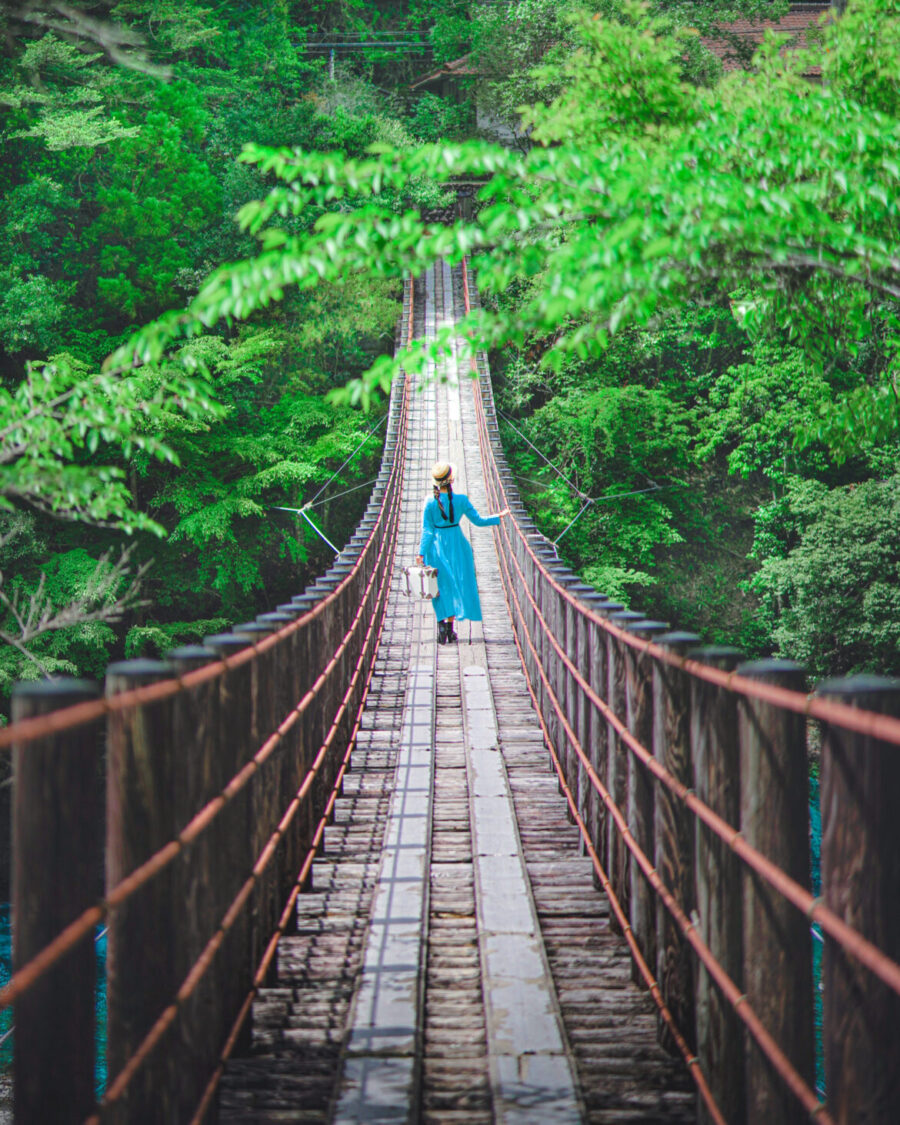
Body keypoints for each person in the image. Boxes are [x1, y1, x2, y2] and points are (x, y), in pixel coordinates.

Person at [416, 461, 509, 644]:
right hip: (457, 545)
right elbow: (479, 521)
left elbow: (427, 531)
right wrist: (499, 517)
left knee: (438, 587)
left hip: (436, 547)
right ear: (452, 480)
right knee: (455, 583)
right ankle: (451, 630)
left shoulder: (429, 502)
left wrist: (421, 553)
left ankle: (441, 628)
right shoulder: (461, 500)